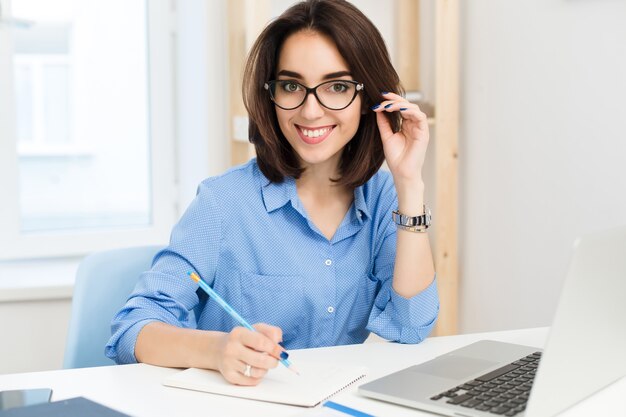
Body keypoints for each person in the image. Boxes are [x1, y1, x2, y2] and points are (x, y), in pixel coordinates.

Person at [106, 0, 439, 386]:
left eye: (336, 87)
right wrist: (217, 351)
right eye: (292, 85)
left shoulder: (384, 198)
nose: (311, 111)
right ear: (272, 93)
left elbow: (412, 326)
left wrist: (410, 184)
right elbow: (132, 330)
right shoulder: (224, 202)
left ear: (368, 99)